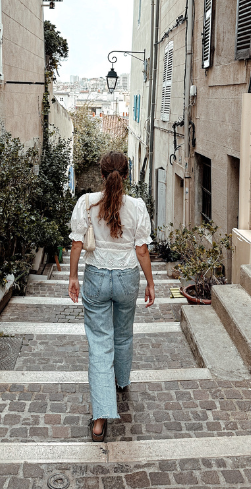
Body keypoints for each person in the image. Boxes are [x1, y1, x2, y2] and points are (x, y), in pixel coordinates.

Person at [67, 151, 155, 442]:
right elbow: (142, 249)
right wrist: (150, 283)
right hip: (127, 277)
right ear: (127, 175)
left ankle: (100, 419)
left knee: (99, 344)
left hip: (96, 278)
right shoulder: (137, 207)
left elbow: (78, 244)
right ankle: (122, 380)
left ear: (101, 176)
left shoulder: (87, 203)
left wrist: (72, 277)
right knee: (123, 333)